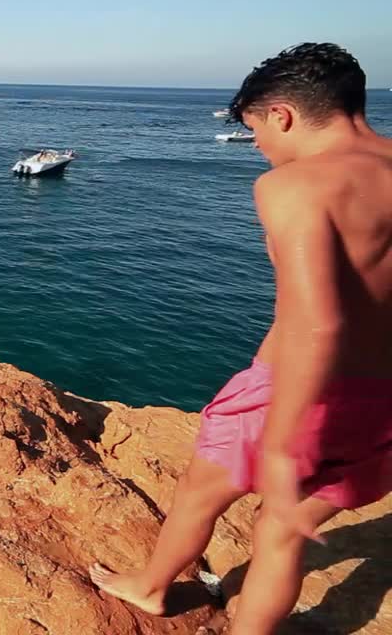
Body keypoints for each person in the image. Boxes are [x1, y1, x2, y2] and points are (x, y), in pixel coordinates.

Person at [90, 43, 392, 634]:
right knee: (280, 533)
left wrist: (282, 446)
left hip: (298, 392)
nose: (258, 146)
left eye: (256, 129)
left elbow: (316, 323)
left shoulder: (297, 185)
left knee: (201, 491)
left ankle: (152, 587)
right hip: (385, 400)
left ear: (281, 114)